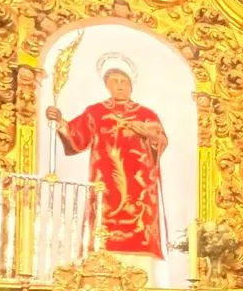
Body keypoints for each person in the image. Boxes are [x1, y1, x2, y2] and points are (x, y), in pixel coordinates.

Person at [46, 54, 169, 261]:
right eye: (114, 81)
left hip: (140, 190)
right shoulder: (95, 112)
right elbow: (77, 139)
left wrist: (149, 134)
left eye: (124, 82)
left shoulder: (147, 114)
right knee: (101, 230)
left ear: (131, 85)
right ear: (107, 85)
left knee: (141, 229)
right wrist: (59, 122)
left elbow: (161, 141)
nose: (120, 86)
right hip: (105, 188)